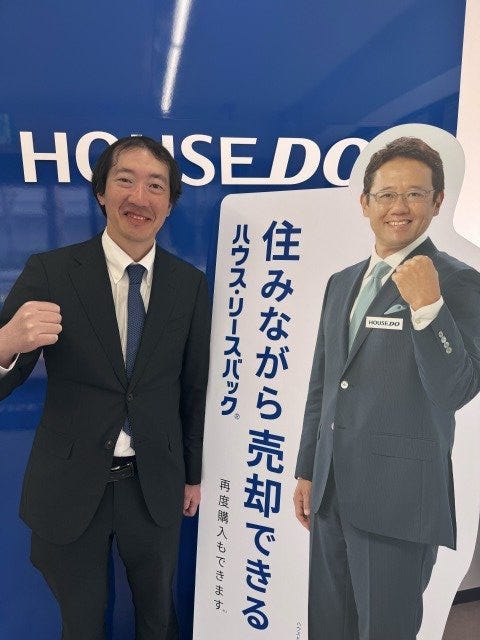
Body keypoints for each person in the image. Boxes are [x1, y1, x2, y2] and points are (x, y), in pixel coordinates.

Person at [0, 136, 211, 640]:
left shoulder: (189, 284)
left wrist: (193, 474)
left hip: (154, 484)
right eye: (125, 180)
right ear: (100, 192)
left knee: (157, 616)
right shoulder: (51, 271)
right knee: (81, 622)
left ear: (170, 203)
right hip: (70, 484)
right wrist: (5, 341)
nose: (140, 197)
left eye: (155, 186)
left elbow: (193, 388)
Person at [293, 136, 480, 640]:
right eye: (387, 194)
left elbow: (456, 391)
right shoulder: (342, 281)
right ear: (365, 202)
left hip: (397, 500)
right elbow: (323, 385)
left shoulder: (461, 282)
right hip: (330, 490)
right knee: (328, 629)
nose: (400, 207)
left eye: (415, 194)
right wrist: (308, 468)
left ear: (437, 202)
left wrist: (429, 308)